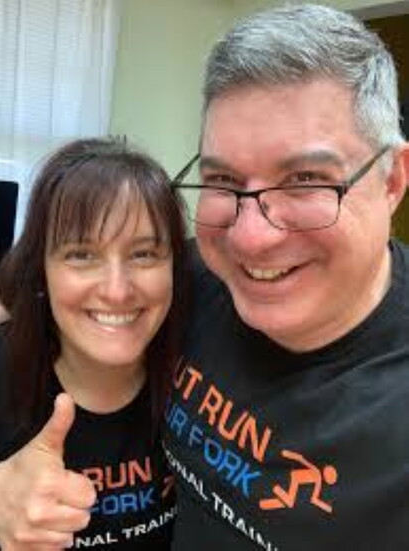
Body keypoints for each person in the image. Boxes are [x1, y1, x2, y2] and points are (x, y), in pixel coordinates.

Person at [165, 3, 409, 549]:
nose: (250, 239)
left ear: (392, 179)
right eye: (223, 180)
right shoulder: (186, 279)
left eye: (305, 179)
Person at [0, 137, 188, 549]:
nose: (117, 291)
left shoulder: (199, 370)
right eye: (82, 255)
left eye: (143, 254)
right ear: (41, 269)